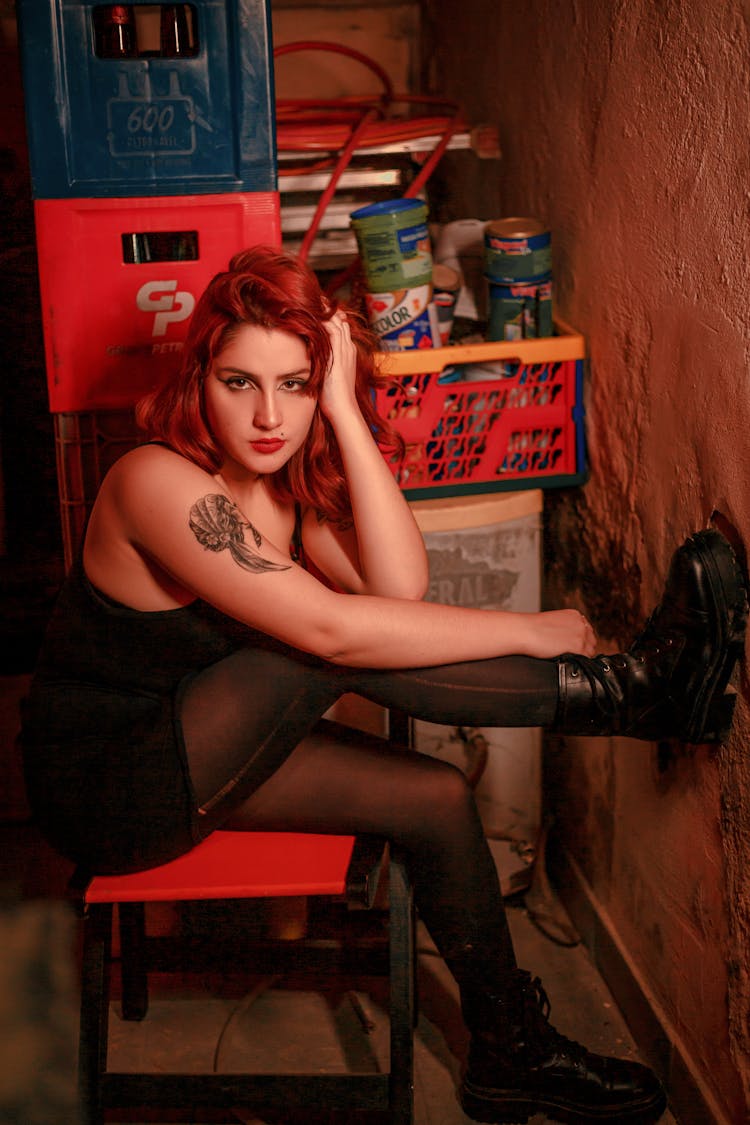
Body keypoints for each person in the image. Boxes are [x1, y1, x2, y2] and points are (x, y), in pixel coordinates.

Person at [22, 245, 747, 1125]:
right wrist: (528, 628)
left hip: (201, 742)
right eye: (239, 381)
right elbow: (335, 630)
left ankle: (508, 1051)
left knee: (435, 795)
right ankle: (625, 692)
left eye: (292, 385)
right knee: (313, 646)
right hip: (109, 781)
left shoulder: (283, 485)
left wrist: (342, 407)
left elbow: (398, 591)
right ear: (197, 381)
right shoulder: (154, 483)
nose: (266, 415)